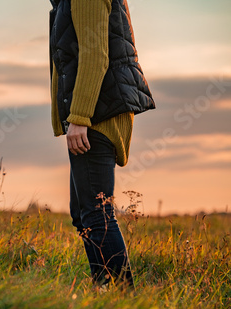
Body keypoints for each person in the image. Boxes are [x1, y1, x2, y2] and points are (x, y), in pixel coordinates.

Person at [49, 0, 155, 288]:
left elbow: (95, 55)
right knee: (84, 214)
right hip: (95, 113)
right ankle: (104, 290)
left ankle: (123, 299)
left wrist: (80, 116)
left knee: (96, 214)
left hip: (96, 116)